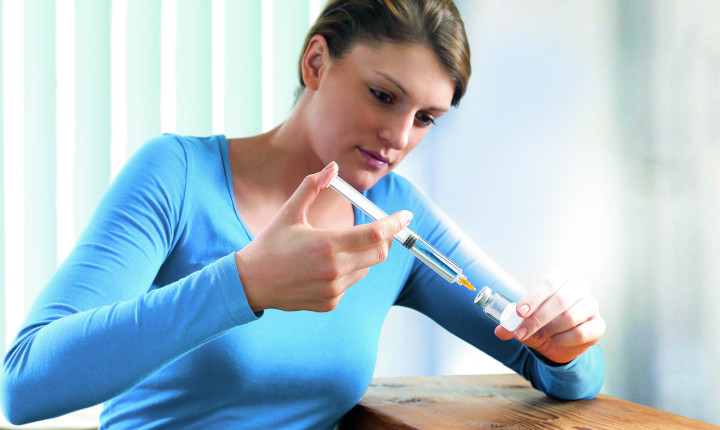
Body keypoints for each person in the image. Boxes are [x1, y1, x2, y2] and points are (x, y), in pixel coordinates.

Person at [1, 0, 606, 428]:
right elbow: (25, 386)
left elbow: (558, 367)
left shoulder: (397, 223)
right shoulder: (178, 176)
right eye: (383, 95)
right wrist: (244, 284)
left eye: (425, 118)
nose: (398, 136)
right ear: (315, 62)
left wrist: (568, 339)